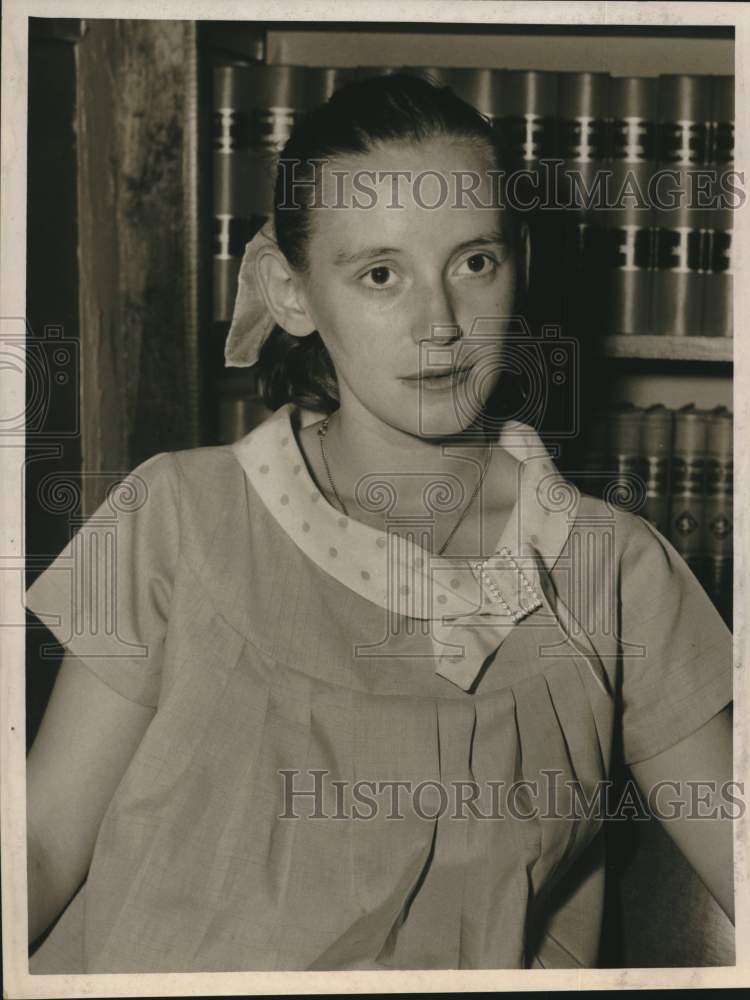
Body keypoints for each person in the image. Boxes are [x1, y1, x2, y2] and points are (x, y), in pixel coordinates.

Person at [25, 73, 734, 973]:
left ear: (522, 264)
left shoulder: (614, 569)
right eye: (380, 274)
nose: (438, 325)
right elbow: (41, 845)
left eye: (474, 262)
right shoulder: (172, 513)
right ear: (290, 293)